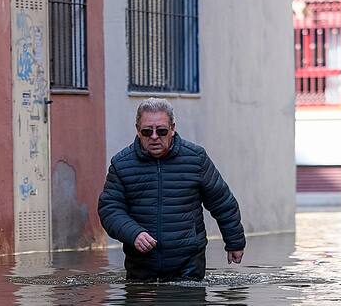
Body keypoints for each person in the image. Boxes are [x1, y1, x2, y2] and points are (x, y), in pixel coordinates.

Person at [98, 98, 245, 281]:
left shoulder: (196, 159)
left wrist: (235, 242)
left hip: (188, 264)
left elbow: (222, 203)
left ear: (172, 129)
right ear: (137, 130)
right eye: (146, 131)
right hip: (142, 266)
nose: (154, 137)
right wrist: (133, 233)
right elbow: (110, 209)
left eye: (161, 131)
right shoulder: (121, 164)